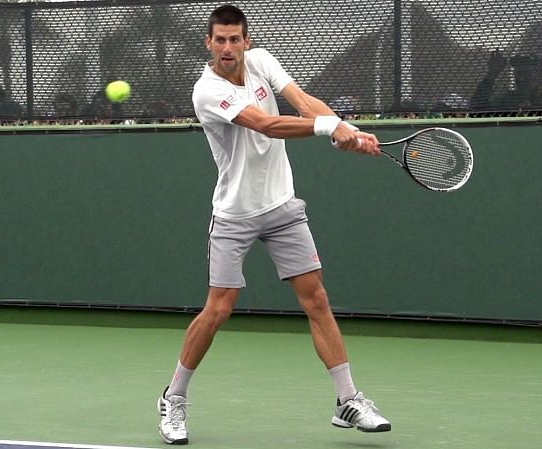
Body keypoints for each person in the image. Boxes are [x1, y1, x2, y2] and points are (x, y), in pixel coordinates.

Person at [156, 5, 390, 445]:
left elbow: (302, 103)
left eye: (235, 39)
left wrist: (348, 129)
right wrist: (329, 128)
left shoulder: (262, 61)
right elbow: (265, 124)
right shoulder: (206, 91)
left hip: (282, 206)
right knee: (219, 308)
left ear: (247, 40)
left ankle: (347, 399)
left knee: (316, 298)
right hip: (234, 214)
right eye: (219, 40)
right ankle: (174, 397)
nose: (228, 48)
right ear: (208, 43)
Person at [471, 50, 542, 110]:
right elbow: (477, 108)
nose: (521, 78)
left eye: (526, 72)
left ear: (538, 72)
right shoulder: (508, 100)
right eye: (518, 72)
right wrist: (492, 74)